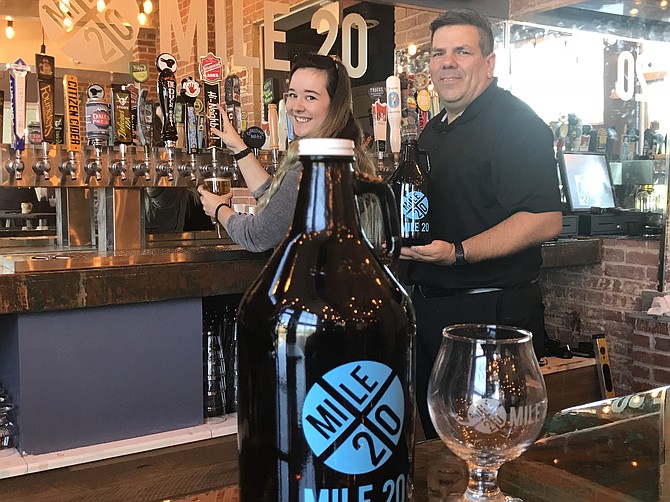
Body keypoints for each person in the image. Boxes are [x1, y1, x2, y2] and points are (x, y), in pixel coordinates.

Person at [400, 8, 563, 439]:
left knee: (493, 445)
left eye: (461, 51)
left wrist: (458, 253)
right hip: (432, 309)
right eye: (438, 53)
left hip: (492, 314)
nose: (446, 62)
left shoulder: (517, 124)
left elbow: (545, 219)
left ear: (489, 63)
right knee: (442, 443)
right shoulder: (434, 130)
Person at [198, 53, 376, 252]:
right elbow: (280, 203)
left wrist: (219, 210)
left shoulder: (313, 167)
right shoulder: (345, 154)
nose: (296, 107)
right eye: (292, 95)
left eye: (310, 97)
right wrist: (238, 147)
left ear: (334, 105)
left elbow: (258, 235)